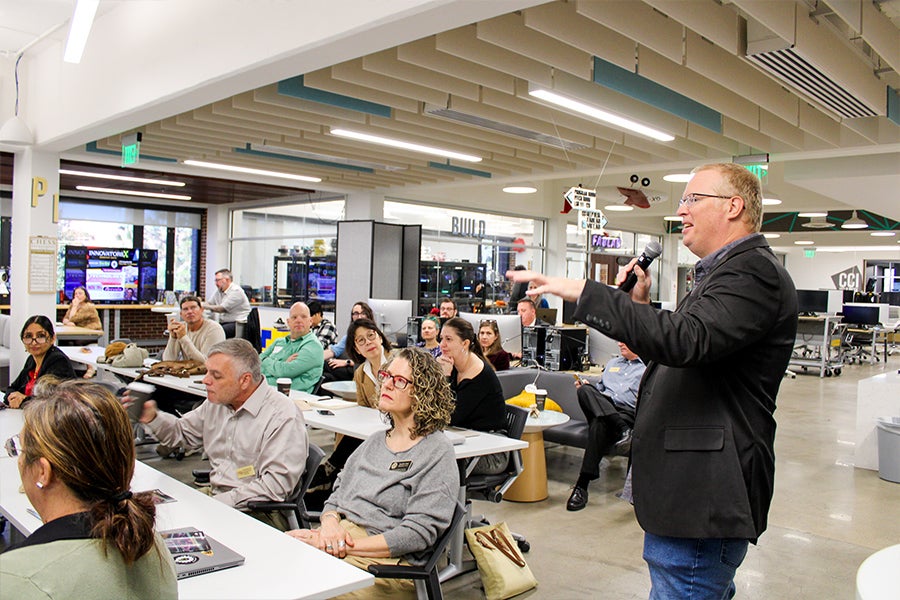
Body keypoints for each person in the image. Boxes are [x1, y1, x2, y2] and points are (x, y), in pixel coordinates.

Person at [508, 163, 798, 599]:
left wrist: (586, 292)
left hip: (704, 489)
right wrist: (639, 307)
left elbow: (688, 341)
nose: (681, 211)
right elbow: (690, 354)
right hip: (692, 489)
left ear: (734, 206)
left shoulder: (751, 272)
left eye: (692, 199)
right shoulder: (724, 274)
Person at [288, 347, 458, 600]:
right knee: (276, 557)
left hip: (387, 564)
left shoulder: (436, 452)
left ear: (422, 392)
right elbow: (338, 492)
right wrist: (329, 525)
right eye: (386, 376)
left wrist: (338, 545)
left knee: (298, 588)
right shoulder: (375, 441)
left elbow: (417, 534)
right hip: (342, 541)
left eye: (399, 381)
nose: (387, 384)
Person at [0, 380, 177, 599]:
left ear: (42, 472)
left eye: (21, 450)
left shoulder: (16, 577)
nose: (19, 461)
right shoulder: (152, 547)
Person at [135, 338, 308, 530]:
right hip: (218, 498)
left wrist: (216, 504)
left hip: (258, 512)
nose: (205, 380)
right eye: (207, 371)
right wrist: (153, 418)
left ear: (244, 380)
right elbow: (181, 434)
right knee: (145, 521)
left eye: (216, 376)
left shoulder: (282, 416)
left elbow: (274, 486)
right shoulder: (217, 404)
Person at [306, 318, 396, 509]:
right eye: (361, 341)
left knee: (353, 444)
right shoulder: (361, 372)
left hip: (397, 427)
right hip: (375, 428)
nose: (368, 343)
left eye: (371, 336)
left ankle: (330, 472)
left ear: (380, 337)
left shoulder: (398, 363)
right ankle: (332, 485)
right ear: (356, 348)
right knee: (354, 438)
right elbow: (363, 409)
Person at [566, 341, 646, 512]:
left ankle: (582, 486)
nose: (619, 343)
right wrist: (587, 387)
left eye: (624, 340)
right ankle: (623, 429)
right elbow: (599, 391)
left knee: (599, 423)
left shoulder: (647, 368)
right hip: (605, 406)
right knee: (585, 390)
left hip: (627, 412)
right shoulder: (612, 363)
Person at [438, 317, 507, 474]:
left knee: (432, 459)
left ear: (465, 343)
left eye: (448, 339)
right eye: (441, 338)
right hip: (467, 439)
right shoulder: (454, 364)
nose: (442, 344)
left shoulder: (478, 373)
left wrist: (445, 378)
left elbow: (450, 416)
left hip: (491, 450)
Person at [4, 316, 76, 409]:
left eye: (40, 336)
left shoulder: (58, 361)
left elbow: (52, 401)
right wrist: (12, 398)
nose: (34, 342)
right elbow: (12, 388)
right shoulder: (31, 360)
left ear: (52, 338)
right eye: (28, 336)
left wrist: (23, 400)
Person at [259, 302, 324, 393]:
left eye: (303, 317)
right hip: (266, 391)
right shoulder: (279, 341)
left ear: (310, 321)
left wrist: (266, 360)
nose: (298, 320)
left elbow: (285, 371)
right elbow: (256, 364)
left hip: (293, 397)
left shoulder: (313, 346)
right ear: (288, 322)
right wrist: (281, 364)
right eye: (294, 317)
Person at [162, 295, 226, 362]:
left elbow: (205, 363)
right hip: (187, 371)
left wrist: (183, 338)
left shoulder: (214, 329)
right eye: (185, 309)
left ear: (201, 310)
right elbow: (167, 360)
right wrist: (173, 338)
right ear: (181, 314)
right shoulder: (181, 328)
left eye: (193, 308)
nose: (189, 312)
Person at [322, 301, 374, 382]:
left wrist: (347, 362)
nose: (359, 317)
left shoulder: (373, 335)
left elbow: (370, 361)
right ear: (352, 317)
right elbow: (335, 350)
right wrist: (314, 358)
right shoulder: (349, 336)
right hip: (351, 369)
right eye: (356, 313)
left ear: (368, 315)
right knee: (325, 376)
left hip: (362, 370)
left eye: (363, 313)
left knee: (325, 366)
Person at [202, 268, 251, 338]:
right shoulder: (219, 291)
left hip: (237, 325)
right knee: (207, 329)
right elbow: (209, 303)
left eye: (218, 280)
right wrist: (201, 305)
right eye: (215, 280)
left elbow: (221, 308)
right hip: (223, 322)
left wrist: (203, 305)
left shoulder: (236, 291)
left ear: (227, 280)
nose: (216, 283)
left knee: (215, 333)